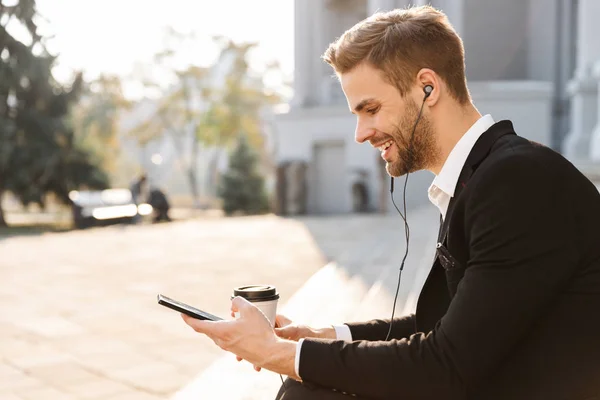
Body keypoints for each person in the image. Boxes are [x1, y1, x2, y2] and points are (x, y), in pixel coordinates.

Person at [180, 5, 600, 399]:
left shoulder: (517, 182)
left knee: (306, 390)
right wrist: (321, 337)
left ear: (427, 87)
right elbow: (443, 326)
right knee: (308, 387)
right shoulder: (482, 175)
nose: (361, 133)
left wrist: (274, 353)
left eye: (371, 109)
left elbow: (446, 364)